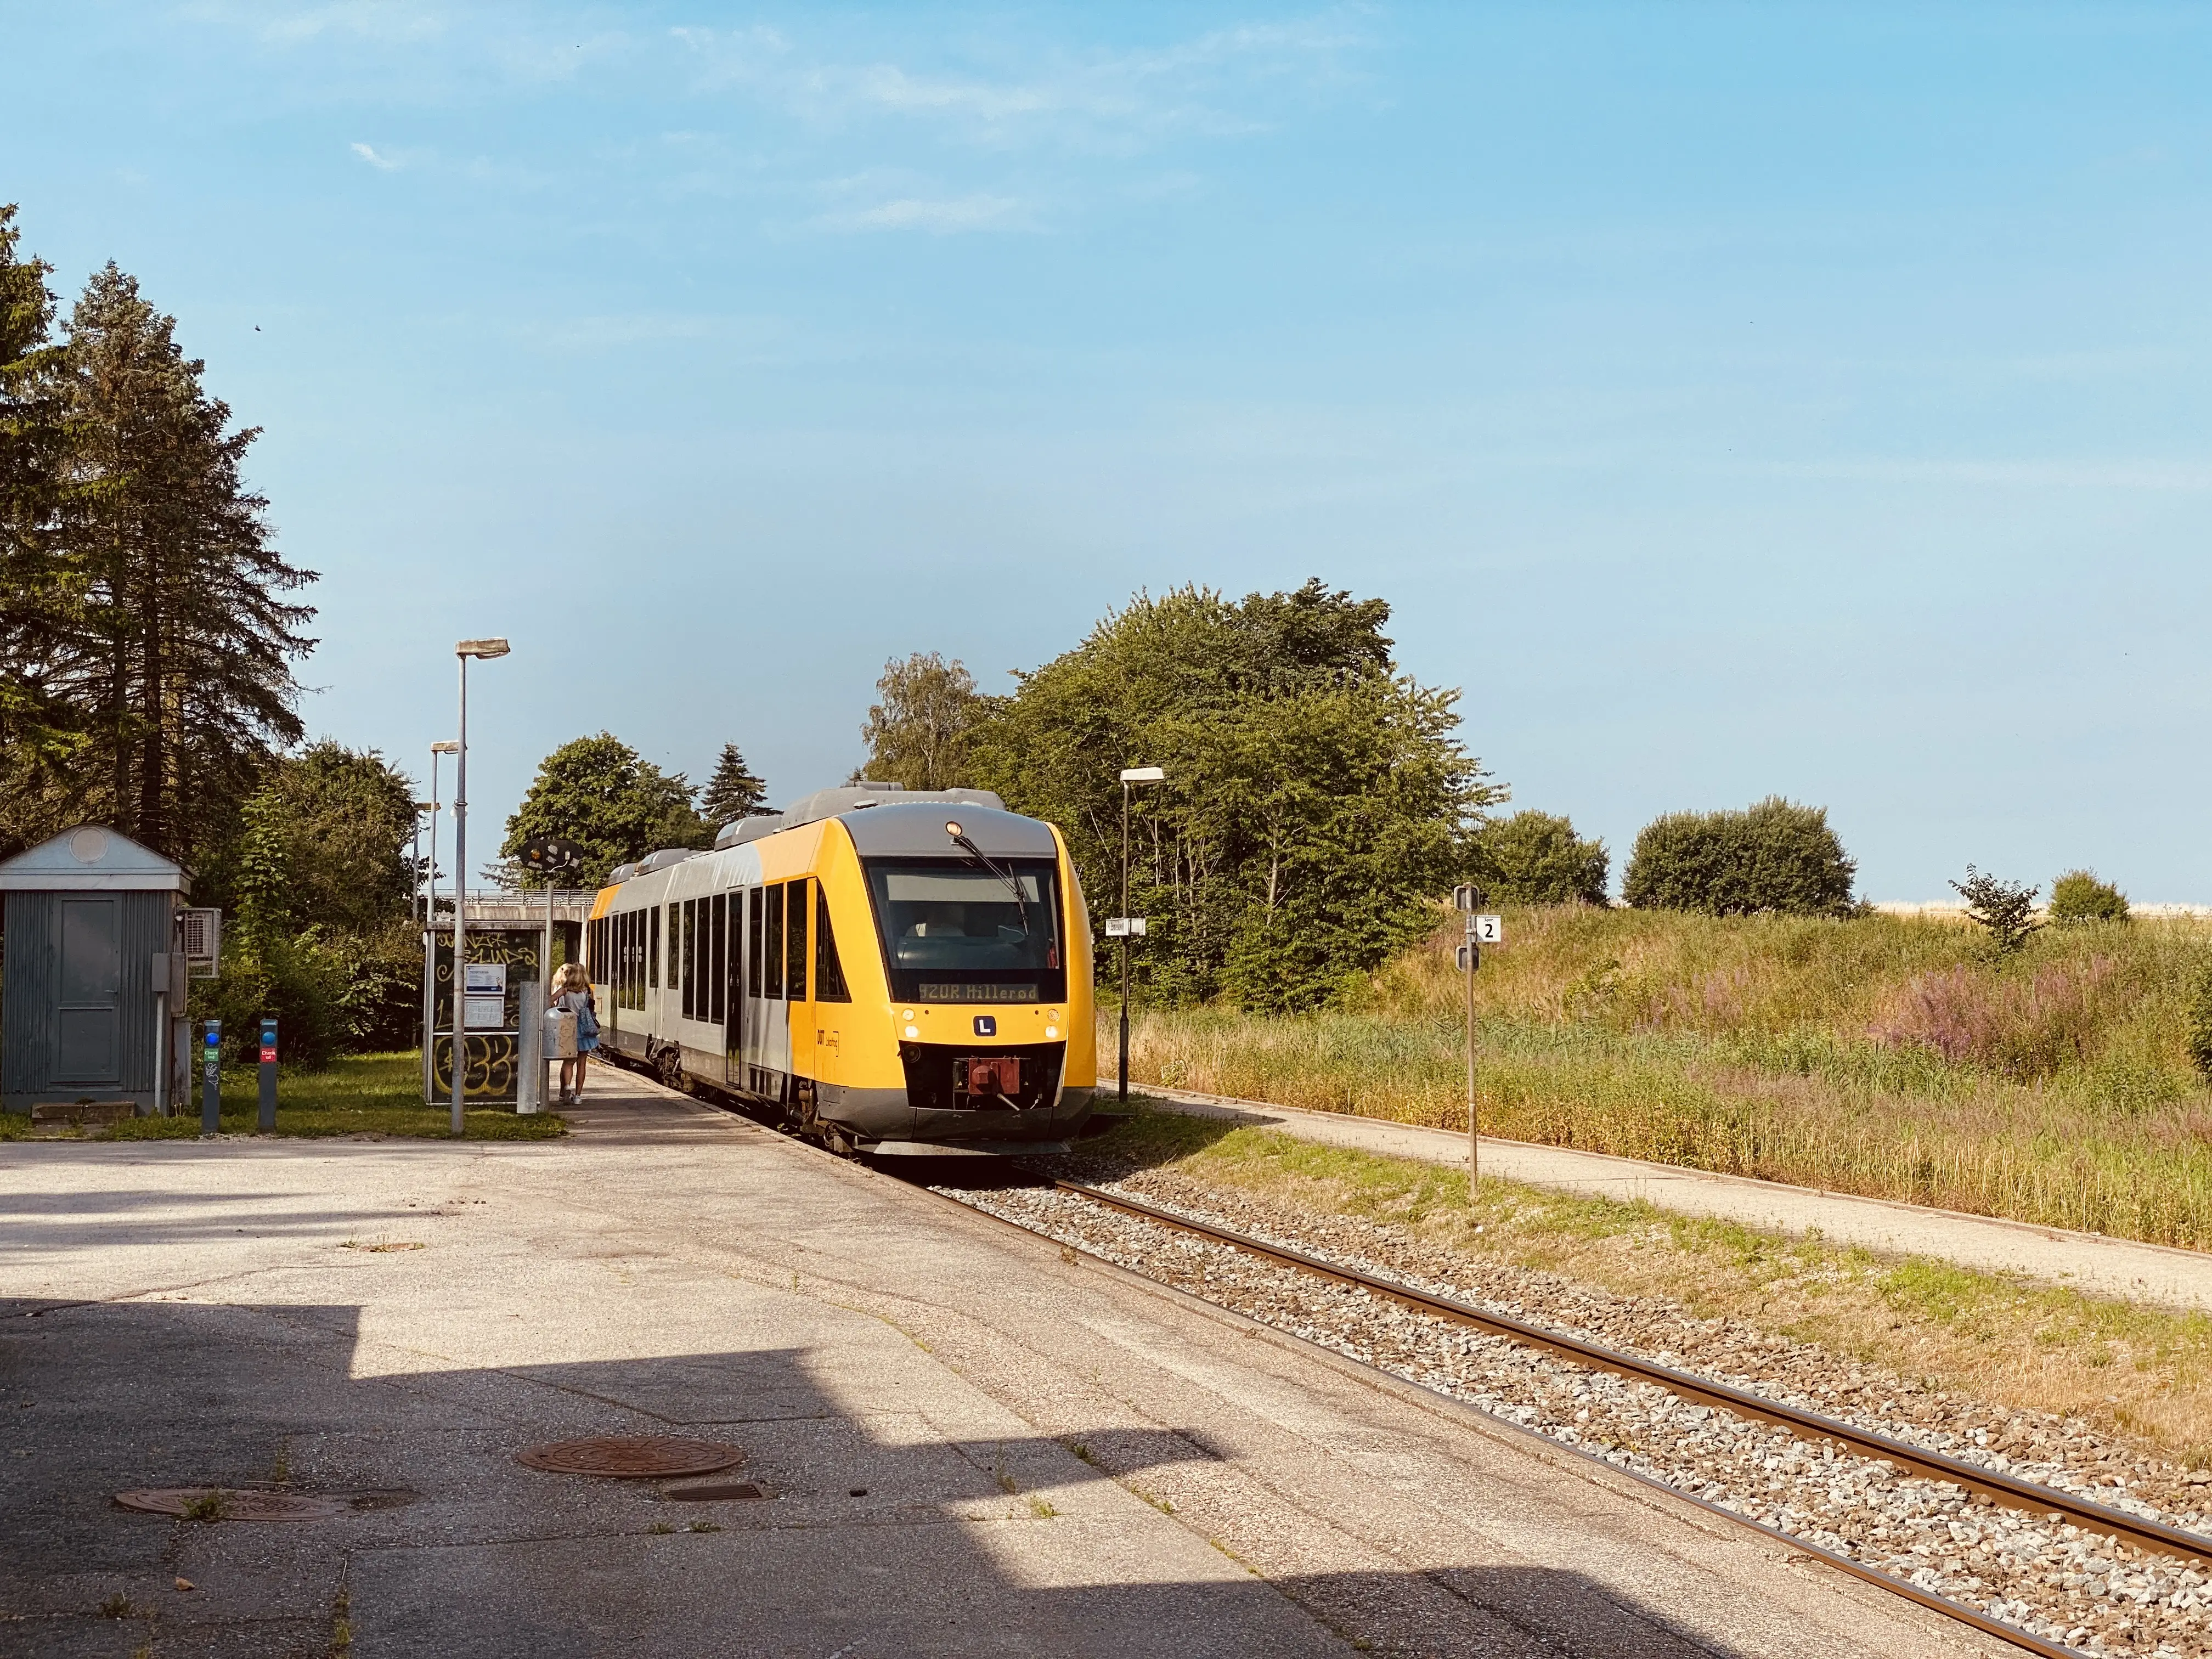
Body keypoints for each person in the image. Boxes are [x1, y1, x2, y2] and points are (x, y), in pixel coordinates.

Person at [549, 962, 598, 1106]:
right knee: (582, 1064)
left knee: (568, 1062)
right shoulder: (587, 991)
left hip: (568, 1028)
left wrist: (556, 1011)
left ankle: (566, 1088)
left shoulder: (565, 991)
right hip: (584, 1030)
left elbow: (550, 1000)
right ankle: (578, 1096)